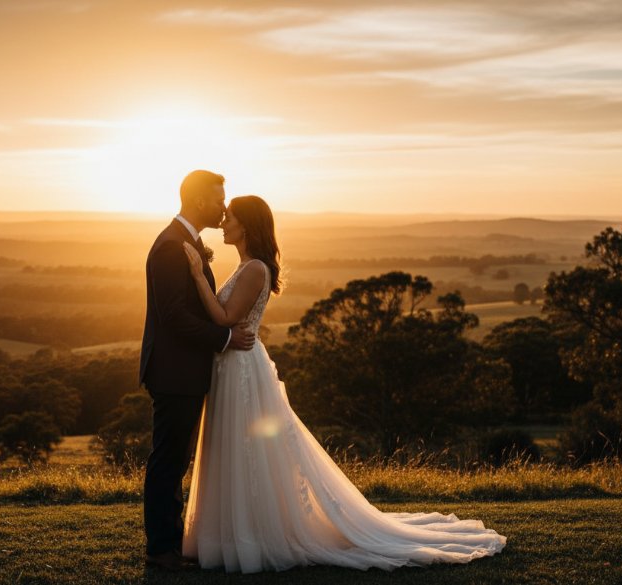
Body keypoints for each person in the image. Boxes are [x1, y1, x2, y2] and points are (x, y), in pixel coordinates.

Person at [179, 195, 507, 573]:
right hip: (232, 365)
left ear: (247, 226)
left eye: (230, 218)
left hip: (241, 370)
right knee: (235, 450)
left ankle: (252, 534)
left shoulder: (254, 269)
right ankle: (232, 532)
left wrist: (195, 275)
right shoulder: (246, 266)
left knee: (246, 451)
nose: (223, 223)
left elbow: (223, 317)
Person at [139, 170, 256, 570]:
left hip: (185, 370)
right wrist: (224, 341)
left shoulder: (187, 241)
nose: (223, 207)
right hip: (174, 371)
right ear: (198, 200)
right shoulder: (173, 246)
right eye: (218, 199)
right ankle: (160, 549)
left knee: (176, 457)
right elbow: (173, 316)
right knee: (169, 459)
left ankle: (169, 544)